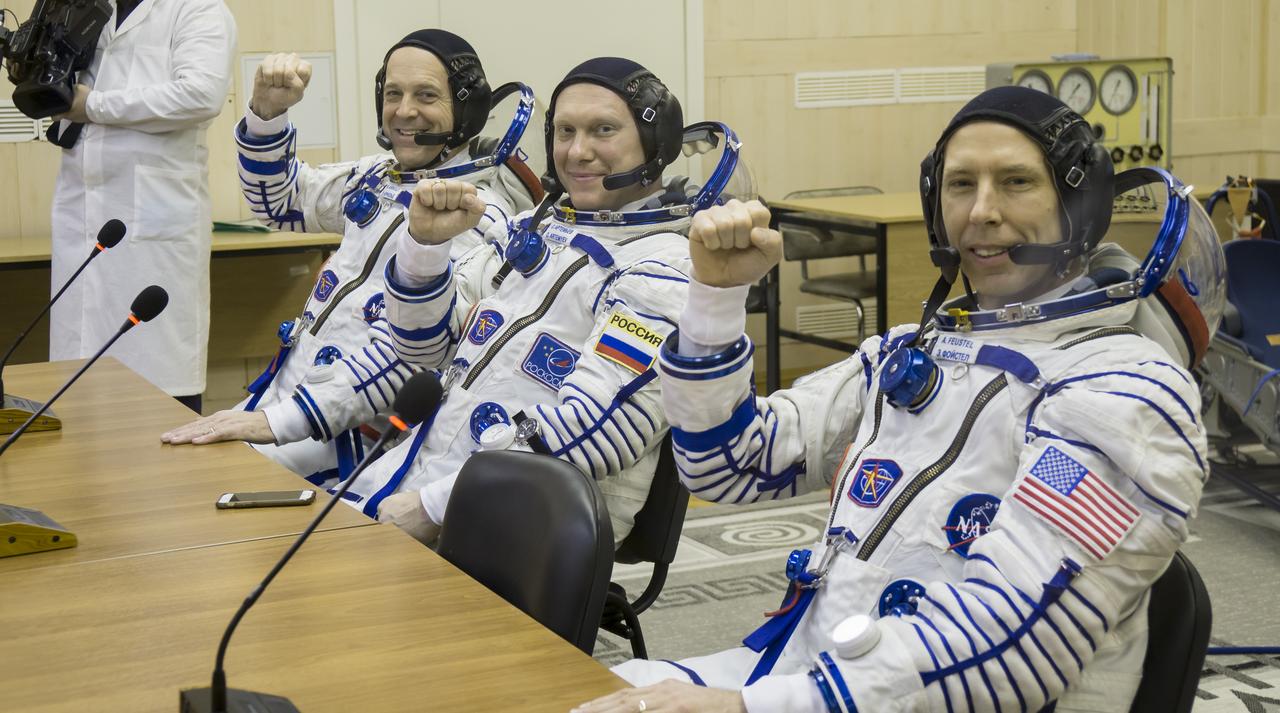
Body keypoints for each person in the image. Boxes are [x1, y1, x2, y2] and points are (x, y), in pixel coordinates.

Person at [574, 86, 1226, 712]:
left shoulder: (1124, 394)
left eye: (1017, 181)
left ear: (1079, 205)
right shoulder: (912, 353)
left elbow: (1012, 642)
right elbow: (729, 463)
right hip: (811, 676)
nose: (981, 211)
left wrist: (749, 704)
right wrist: (715, 300)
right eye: (961, 184)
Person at [360, 57, 753, 545]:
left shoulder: (666, 272)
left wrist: (433, 505)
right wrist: (423, 250)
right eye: (564, 131)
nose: (577, 151)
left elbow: (595, 431)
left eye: (602, 130)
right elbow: (419, 349)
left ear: (654, 145)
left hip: (523, 527)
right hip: (417, 482)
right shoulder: (543, 232)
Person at [160, 30, 540, 484]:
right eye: (393, 93)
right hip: (282, 403)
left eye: (426, 95)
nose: (403, 110)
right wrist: (267, 114)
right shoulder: (378, 177)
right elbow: (278, 202)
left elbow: (411, 354)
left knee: (202, 485)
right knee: (171, 471)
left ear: (466, 109)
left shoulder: (473, 215)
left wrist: (280, 422)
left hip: (344, 434)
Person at [49, 0, 236, 412]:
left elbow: (200, 95)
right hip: (82, 215)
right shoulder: (86, 10)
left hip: (154, 230)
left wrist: (92, 105)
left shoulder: (198, 9)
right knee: (74, 395)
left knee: (156, 395)